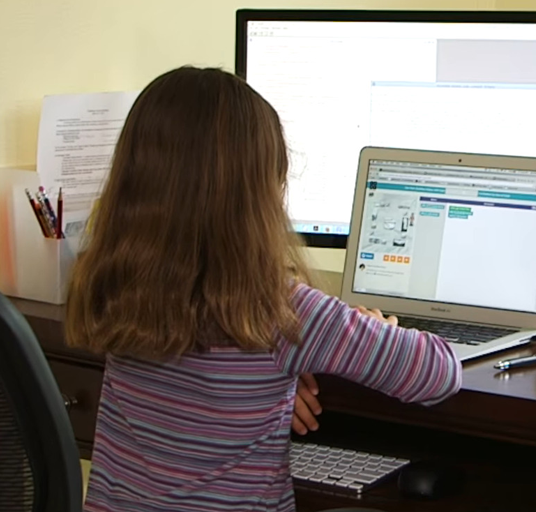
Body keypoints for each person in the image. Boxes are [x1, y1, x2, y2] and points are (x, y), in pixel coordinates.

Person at [65, 66, 462, 512]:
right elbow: (438, 374)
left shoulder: (114, 287)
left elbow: (199, 396)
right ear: (257, 196)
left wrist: (277, 388)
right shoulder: (280, 311)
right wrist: (376, 328)